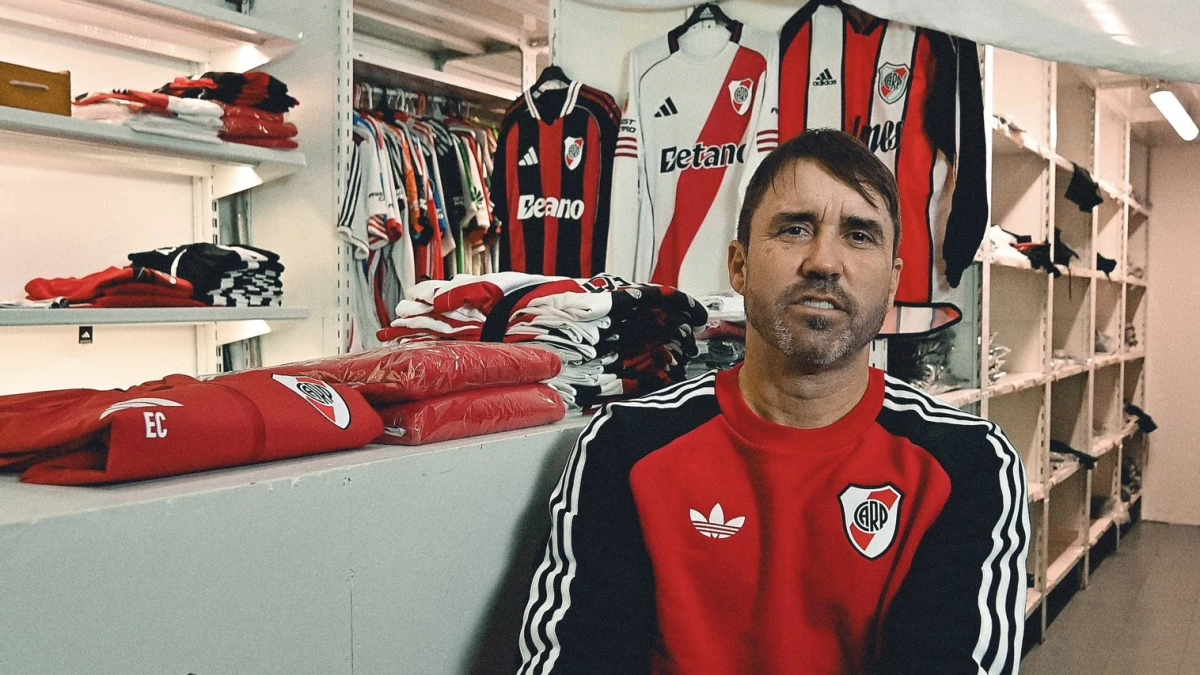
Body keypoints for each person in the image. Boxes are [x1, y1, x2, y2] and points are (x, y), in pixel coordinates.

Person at [516, 129, 1029, 674]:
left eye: (859, 235)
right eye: (795, 229)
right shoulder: (626, 447)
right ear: (739, 266)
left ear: (892, 282)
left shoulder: (969, 464)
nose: (823, 261)